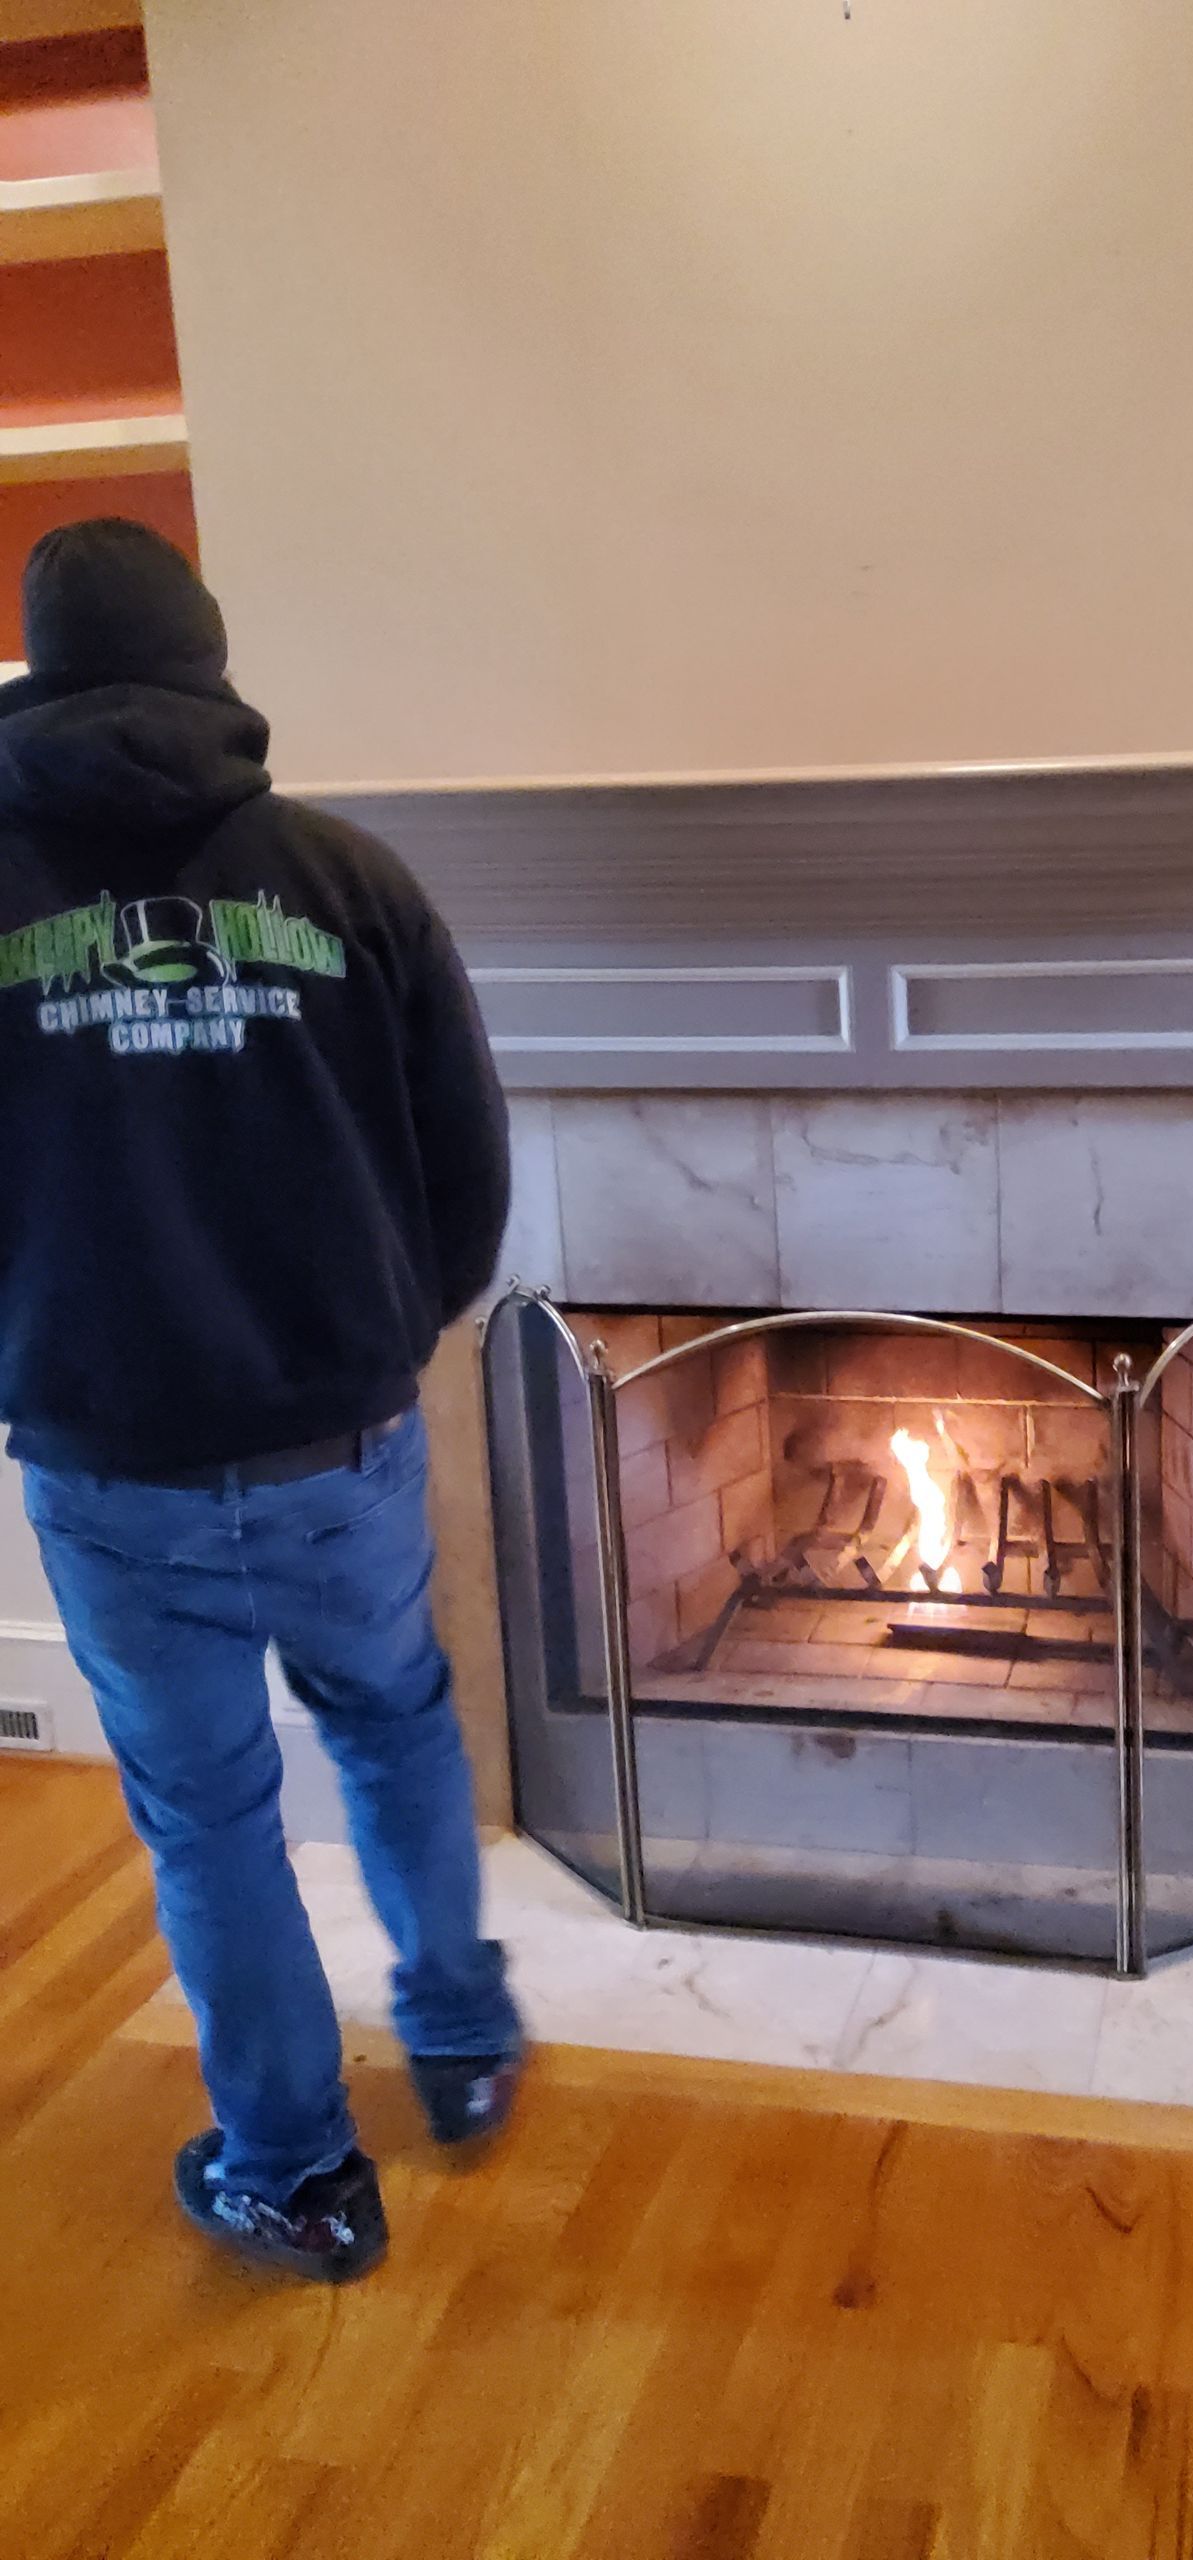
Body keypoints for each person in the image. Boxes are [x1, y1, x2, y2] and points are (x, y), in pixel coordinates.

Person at [0, 519, 522, 2284]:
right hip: (338, 1445)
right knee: (395, 1723)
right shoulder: (349, 880)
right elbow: (468, 1167)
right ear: (211, 662)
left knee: (208, 1812)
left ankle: (298, 2174)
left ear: (40, 670)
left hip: (110, 1464)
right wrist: (379, 1340)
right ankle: (461, 2043)